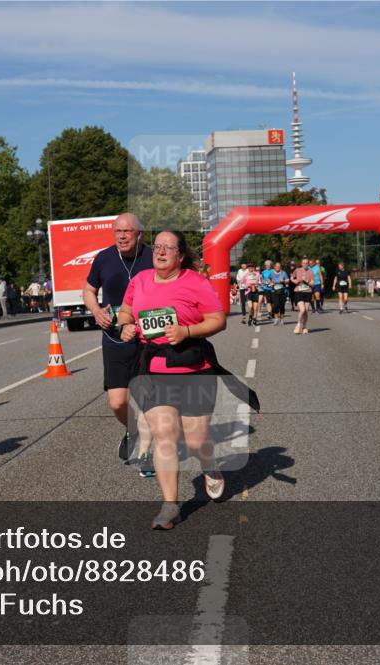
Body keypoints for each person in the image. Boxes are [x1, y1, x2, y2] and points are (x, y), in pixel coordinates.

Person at [116, 230, 226, 529]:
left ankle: (210, 466)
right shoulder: (139, 281)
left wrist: (186, 332)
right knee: (164, 435)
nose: (161, 251)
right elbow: (125, 311)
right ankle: (170, 506)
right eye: (158, 246)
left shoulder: (196, 282)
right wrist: (125, 325)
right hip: (152, 369)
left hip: (194, 369)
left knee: (196, 439)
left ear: (180, 255)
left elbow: (218, 319)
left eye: (169, 248)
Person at [83, 212, 156, 476]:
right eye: (117, 232)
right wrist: (96, 310)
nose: (122, 236)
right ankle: (133, 431)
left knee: (147, 398)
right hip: (114, 337)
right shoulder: (104, 258)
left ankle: (146, 455)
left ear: (140, 235)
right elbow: (89, 290)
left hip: (147, 339)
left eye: (127, 232)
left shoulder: (152, 257)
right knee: (117, 402)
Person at [291, 257, 314, 335]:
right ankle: (298, 325)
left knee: (306, 311)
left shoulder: (311, 272)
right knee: (302, 310)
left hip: (308, 292)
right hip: (299, 291)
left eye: (306, 263)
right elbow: (292, 277)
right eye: (304, 263)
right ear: (301, 263)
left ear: (308, 264)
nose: (305, 264)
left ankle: (304, 326)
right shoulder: (297, 270)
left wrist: (308, 282)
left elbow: (313, 283)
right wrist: (295, 281)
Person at [271, 259, 288, 325]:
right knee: (275, 305)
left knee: (282, 306)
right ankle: (276, 319)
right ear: (274, 267)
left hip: (282, 291)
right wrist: (270, 283)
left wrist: (283, 281)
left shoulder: (284, 273)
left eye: (279, 266)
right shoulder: (272, 273)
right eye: (276, 266)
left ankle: (282, 319)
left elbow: (287, 281)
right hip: (274, 291)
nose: (278, 267)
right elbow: (268, 280)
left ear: (280, 267)